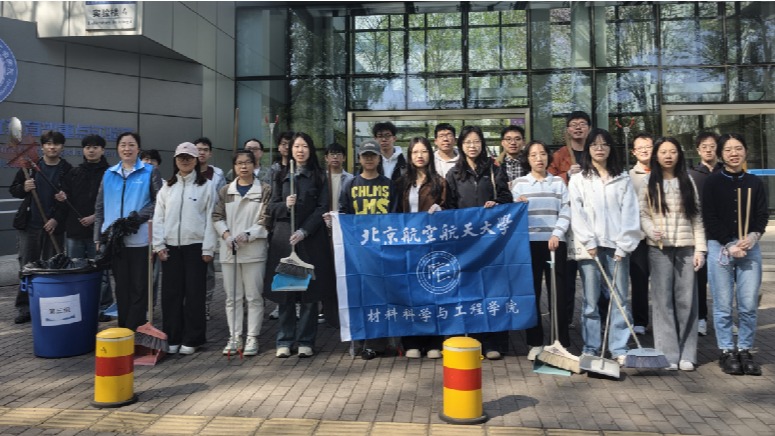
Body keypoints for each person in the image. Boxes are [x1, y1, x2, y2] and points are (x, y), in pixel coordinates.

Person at [568, 128, 640, 365]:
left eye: (604, 144)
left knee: (619, 299)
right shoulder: (579, 180)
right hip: (591, 248)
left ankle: (619, 347)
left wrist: (624, 245)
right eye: (594, 144)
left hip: (617, 247)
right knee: (590, 301)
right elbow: (576, 213)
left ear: (611, 148)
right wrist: (588, 242)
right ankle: (591, 347)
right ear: (588, 149)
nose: (599, 148)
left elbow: (630, 213)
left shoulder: (623, 179)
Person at [703, 133, 768, 376]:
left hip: (749, 247)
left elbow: (761, 215)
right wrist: (729, 244)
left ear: (745, 151)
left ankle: (745, 349)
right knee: (722, 304)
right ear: (721, 154)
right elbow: (709, 217)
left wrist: (753, 237)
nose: (734, 153)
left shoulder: (754, 182)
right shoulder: (712, 182)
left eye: (738, 148)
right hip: (720, 247)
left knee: (748, 304)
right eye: (728, 149)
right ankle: (726, 350)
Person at [445, 125, 513, 360]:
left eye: (476, 141)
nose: (472, 146)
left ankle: (494, 342)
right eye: (467, 142)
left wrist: (497, 203)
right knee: (469, 291)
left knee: (494, 290)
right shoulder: (453, 173)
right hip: (465, 244)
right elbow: (449, 206)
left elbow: (507, 197)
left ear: (482, 144)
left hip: (491, 242)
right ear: (461, 146)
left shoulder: (494, 169)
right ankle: (473, 340)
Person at [639, 137, 706, 371]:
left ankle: (688, 354)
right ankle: (668, 354)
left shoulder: (687, 180)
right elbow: (643, 214)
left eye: (673, 152)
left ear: (679, 155)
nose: (668, 156)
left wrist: (700, 249)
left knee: (687, 300)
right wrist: (651, 230)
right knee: (662, 302)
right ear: (656, 156)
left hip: (686, 248)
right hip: (659, 249)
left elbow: (696, 217)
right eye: (663, 152)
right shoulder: (648, 182)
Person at [264, 132, 332, 358]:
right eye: (296, 146)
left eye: (304, 146)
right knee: (286, 291)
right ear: (290, 150)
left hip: (311, 240)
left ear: (310, 150)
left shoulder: (319, 176)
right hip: (285, 239)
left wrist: (305, 231)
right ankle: (284, 339)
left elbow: (322, 207)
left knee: (309, 295)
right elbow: (271, 207)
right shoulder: (280, 175)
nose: (300, 150)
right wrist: (285, 204)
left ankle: (305, 340)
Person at [153, 142, 217, 355]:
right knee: (171, 295)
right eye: (181, 157)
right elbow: (158, 217)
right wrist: (159, 245)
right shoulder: (167, 187)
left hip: (196, 247)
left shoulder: (206, 186)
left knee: (194, 294)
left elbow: (211, 218)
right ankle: (172, 337)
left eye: (189, 157)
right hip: (171, 248)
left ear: (196, 160)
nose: (185, 161)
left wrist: (208, 248)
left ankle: (193, 338)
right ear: (175, 160)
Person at [335, 139, 397, 359]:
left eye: (373, 155)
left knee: (381, 296)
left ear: (379, 158)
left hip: (382, 251)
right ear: (359, 158)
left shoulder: (389, 184)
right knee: (359, 296)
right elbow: (343, 213)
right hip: (357, 252)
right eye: (365, 155)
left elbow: (395, 216)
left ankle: (377, 343)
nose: (369, 159)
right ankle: (360, 341)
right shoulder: (350, 184)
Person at [94, 132, 163, 331]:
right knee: (122, 287)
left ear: (138, 149)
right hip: (115, 242)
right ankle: (124, 328)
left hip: (140, 240)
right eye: (123, 144)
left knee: (139, 287)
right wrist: (98, 236)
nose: (127, 148)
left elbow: (159, 202)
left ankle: (135, 329)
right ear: (117, 148)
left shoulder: (149, 171)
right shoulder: (109, 173)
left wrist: (136, 218)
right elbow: (100, 206)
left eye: (131, 144)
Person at [511, 140, 571, 360]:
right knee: (532, 293)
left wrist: (557, 233)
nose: (539, 158)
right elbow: (512, 215)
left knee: (559, 293)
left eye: (543, 154)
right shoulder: (519, 184)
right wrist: (517, 204)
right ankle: (534, 342)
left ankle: (561, 342)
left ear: (548, 157)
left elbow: (566, 210)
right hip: (529, 245)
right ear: (527, 159)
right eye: (534, 155)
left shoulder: (558, 182)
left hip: (555, 243)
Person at [212, 150, 271, 356]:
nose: (243, 166)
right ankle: (234, 336)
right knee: (232, 297)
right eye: (239, 163)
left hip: (254, 252)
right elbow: (217, 216)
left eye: (247, 162)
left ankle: (252, 337)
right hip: (230, 251)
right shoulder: (225, 190)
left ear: (254, 165)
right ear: (234, 166)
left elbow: (266, 219)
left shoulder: (264, 189)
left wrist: (249, 234)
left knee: (254, 296)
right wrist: (226, 235)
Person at [9, 130, 72, 324]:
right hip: (30, 225)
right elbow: (14, 189)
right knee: (27, 267)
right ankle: (24, 307)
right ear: (42, 146)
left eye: (56, 143)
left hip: (53, 227)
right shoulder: (30, 167)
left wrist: (56, 219)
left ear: (62, 147)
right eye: (48, 143)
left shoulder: (67, 169)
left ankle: (49, 304)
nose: (52, 147)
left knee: (53, 267)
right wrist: (24, 188)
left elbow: (70, 199)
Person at [394, 137, 447, 359]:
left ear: (430, 154)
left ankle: (434, 342)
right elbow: (394, 213)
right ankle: (411, 342)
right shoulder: (401, 183)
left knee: (433, 293)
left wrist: (441, 209)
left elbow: (450, 208)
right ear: (409, 155)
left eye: (424, 151)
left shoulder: (440, 182)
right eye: (415, 152)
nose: (419, 156)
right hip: (407, 245)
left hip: (432, 245)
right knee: (409, 295)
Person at [61, 134, 113, 322]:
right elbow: (65, 198)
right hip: (75, 232)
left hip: (98, 232)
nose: (91, 150)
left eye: (95, 147)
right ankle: (79, 306)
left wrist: (95, 218)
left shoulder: (110, 173)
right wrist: (62, 197)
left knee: (101, 271)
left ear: (102, 150)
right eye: (88, 147)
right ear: (83, 150)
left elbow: (112, 202)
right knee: (75, 270)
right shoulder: (74, 173)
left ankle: (103, 307)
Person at [548, 111, 592, 330]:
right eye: (574, 124)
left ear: (589, 128)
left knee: (593, 274)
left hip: (593, 222)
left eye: (582, 124)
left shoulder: (596, 151)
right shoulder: (560, 155)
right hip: (568, 223)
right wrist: (566, 175)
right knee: (567, 274)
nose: (578, 128)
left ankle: (597, 318)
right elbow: (549, 180)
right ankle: (565, 320)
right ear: (567, 130)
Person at [688, 132, 723, 337]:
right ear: (698, 150)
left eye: (712, 146)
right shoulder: (692, 175)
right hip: (700, 236)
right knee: (699, 281)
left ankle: (723, 320)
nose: (709, 150)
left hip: (722, 237)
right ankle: (701, 318)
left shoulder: (726, 172)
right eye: (704, 146)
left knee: (723, 282)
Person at [194, 137, 227, 322]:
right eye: (198, 149)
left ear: (210, 153)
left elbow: (221, 202)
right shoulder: (186, 172)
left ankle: (205, 305)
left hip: (209, 229)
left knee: (208, 271)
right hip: (190, 230)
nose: (201, 153)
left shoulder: (217, 175)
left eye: (205, 150)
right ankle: (191, 304)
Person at [628, 132, 654, 336]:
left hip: (663, 236)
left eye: (648, 146)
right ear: (634, 152)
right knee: (639, 280)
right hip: (639, 237)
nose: (645, 150)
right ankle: (640, 320)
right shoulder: (628, 177)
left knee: (664, 282)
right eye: (640, 147)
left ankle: (664, 320)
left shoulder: (664, 173)